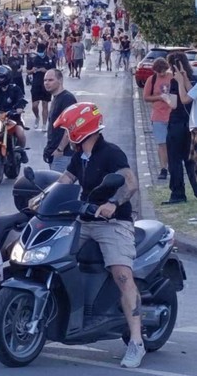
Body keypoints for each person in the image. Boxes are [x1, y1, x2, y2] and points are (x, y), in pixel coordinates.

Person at [52, 102, 144, 368]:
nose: (67, 134)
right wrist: (42, 198)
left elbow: (130, 183)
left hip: (113, 223)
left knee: (122, 274)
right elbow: (66, 180)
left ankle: (136, 342)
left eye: (70, 129)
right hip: (84, 218)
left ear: (82, 129)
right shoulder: (79, 154)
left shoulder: (110, 152)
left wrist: (113, 204)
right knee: (53, 253)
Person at [166, 52, 197, 203]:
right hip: (191, 125)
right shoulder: (194, 80)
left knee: (175, 159)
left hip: (177, 123)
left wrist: (165, 96)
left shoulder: (174, 82)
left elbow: (176, 103)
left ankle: (178, 193)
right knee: (191, 160)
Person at [142, 58, 173, 181]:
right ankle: (163, 169)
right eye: (159, 72)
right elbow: (146, 97)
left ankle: (173, 166)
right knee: (162, 144)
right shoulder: (152, 80)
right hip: (158, 116)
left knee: (173, 144)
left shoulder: (172, 77)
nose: (162, 74)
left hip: (172, 115)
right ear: (155, 71)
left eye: (164, 71)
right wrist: (160, 97)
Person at [0, 65, 28, 160]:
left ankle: (22, 151)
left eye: (1, 77)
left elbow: (21, 100)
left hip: (12, 118)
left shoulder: (15, 89)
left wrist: (19, 108)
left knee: (20, 133)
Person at [42, 69, 78, 172]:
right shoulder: (56, 98)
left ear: (60, 80)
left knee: (58, 186)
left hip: (63, 155)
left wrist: (60, 149)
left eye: (50, 80)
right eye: (45, 80)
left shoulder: (67, 99)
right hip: (54, 153)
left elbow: (70, 127)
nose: (46, 83)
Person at [29, 43, 55, 131]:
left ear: (45, 50)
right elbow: (27, 70)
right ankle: (37, 117)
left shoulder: (49, 59)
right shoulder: (33, 59)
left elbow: (54, 71)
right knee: (34, 105)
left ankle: (44, 124)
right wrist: (32, 70)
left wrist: (46, 70)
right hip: (36, 84)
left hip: (46, 84)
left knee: (45, 104)